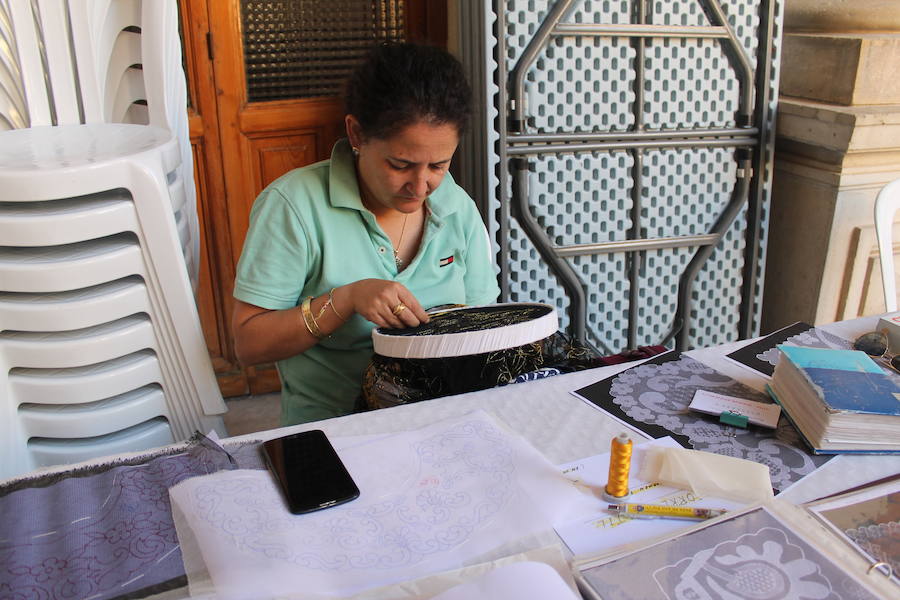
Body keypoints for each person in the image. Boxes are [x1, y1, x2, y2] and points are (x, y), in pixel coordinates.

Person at [231, 42, 500, 425]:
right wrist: (345, 300)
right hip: (335, 426)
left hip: (440, 417)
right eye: (400, 164)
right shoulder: (294, 206)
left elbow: (482, 323)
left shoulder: (457, 207)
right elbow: (249, 344)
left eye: (438, 165)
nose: (420, 186)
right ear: (356, 133)